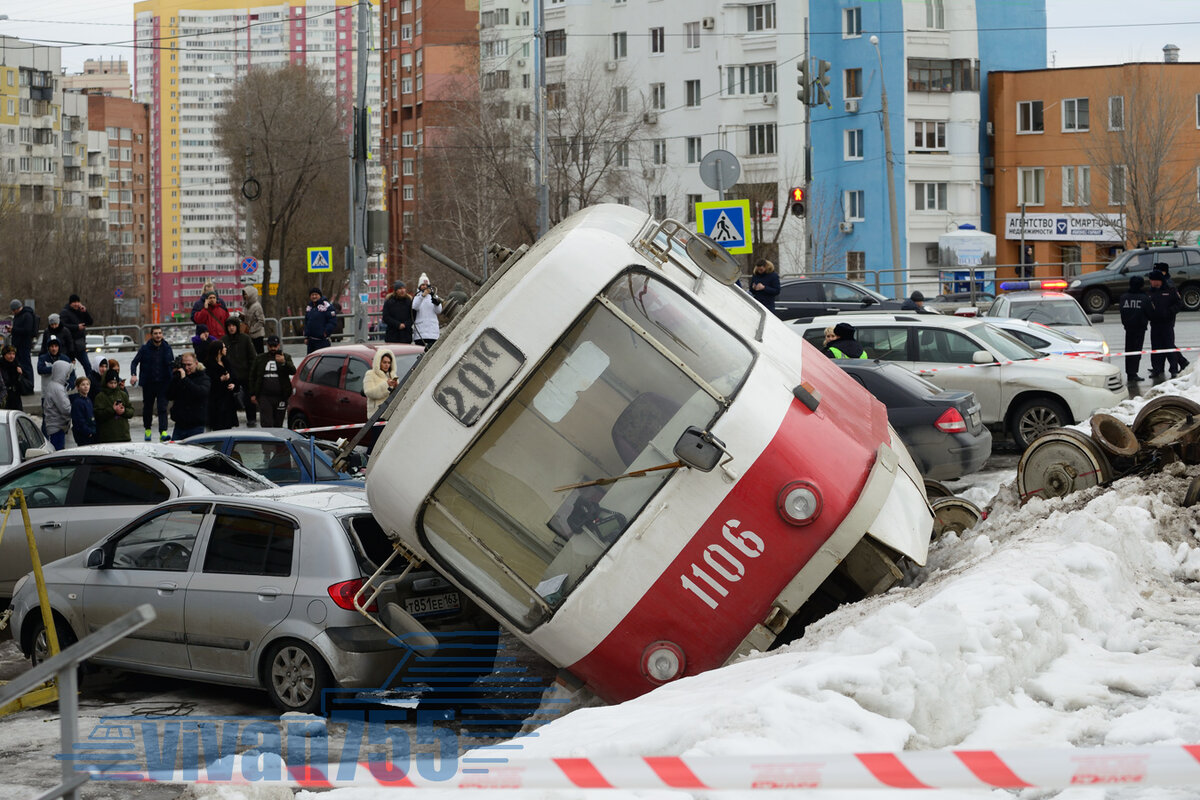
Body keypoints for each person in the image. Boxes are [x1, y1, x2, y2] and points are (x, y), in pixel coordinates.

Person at [131, 325, 175, 441]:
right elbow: (134, 362)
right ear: (151, 335)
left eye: (160, 333)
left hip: (163, 382)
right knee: (148, 408)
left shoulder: (167, 348)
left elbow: (172, 364)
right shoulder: (145, 348)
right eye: (155, 333)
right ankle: (147, 430)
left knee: (162, 407)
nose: (158, 335)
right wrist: (133, 375)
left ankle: (163, 432)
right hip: (149, 383)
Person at [1146, 267, 1189, 377]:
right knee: (1156, 347)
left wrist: (1169, 312)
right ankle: (1157, 369)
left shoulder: (1170, 290)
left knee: (1169, 346)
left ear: (1158, 280)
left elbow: (1179, 304)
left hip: (1167, 324)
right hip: (1155, 324)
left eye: (1152, 280)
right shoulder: (1150, 291)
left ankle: (1173, 369)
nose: (1150, 282)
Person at [249, 335, 295, 428]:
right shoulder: (260, 358)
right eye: (271, 346)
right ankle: (267, 442)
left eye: (275, 346)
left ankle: (277, 442)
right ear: (267, 346)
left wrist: (284, 363)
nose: (273, 348)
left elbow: (293, 371)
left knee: (278, 424)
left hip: (281, 396)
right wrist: (252, 394)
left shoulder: (286, 357)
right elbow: (252, 376)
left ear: (279, 346)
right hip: (264, 396)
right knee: (267, 424)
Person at [221, 315, 258, 426]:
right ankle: (232, 420)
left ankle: (251, 419)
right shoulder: (224, 340)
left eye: (233, 325)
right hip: (231, 375)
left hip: (245, 374)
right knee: (230, 399)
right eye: (229, 326)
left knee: (248, 399)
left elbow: (252, 357)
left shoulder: (245, 339)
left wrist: (251, 372)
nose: (231, 328)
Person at [168, 352, 210, 440]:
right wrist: (175, 377)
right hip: (180, 424)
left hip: (196, 425)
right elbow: (169, 395)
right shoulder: (179, 377)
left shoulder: (203, 377)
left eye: (189, 365)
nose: (187, 368)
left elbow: (201, 393)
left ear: (196, 363)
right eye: (184, 365)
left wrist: (185, 379)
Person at [1118, 276, 1152, 383]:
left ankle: (1129, 373)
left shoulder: (1124, 297)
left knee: (1128, 351)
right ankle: (1133, 373)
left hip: (1128, 328)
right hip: (1140, 328)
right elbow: (1150, 313)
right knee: (1136, 351)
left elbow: (1122, 312)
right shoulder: (1144, 298)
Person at [204, 340, 241, 430]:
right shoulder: (209, 364)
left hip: (228, 399)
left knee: (228, 425)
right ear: (218, 350)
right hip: (216, 400)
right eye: (223, 347)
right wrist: (220, 379)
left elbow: (234, 377)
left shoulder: (226, 362)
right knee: (218, 425)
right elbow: (207, 381)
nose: (225, 349)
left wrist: (233, 385)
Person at [94, 369, 135, 444]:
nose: (113, 385)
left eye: (115, 383)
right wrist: (112, 409)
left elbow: (131, 411)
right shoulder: (100, 397)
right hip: (107, 438)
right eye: (111, 383)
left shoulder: (123, 394)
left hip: (124, 436)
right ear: (106, 383)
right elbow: (98, 414)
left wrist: (124, 411)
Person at [58, 294, 94, 377]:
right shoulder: (65, 312)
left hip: (80, 345)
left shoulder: (80, 311)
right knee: (69, 367)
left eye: (78, 302)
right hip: (69, 345)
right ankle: (70, 384)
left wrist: (85, 312)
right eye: (74, 302)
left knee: (87, 365)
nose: (76, 304)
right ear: (70, 303)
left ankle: (91, 383)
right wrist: (77, 327)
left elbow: (90, 322)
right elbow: (62, 325)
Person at [42, 361, 73, 450]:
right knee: (58, 452)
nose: (68, 375)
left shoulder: (53, 385)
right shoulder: (57, 388)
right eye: (67, 372)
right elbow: (66, 408)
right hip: (56, 427)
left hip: (56, 426)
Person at [9, 299, 37, 391]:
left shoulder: (27, 315)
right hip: (18, 344)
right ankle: (23, 385)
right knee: (20, 365)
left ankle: (29, 385)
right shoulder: (19, 316)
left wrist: (13, 330)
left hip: (24, 345)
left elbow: (27, 330)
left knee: (26, 365)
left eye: (13, 310)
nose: (13, 312)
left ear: (17, 308)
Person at [363, 348, 399, 418]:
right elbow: (369, 392)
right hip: (376, 415)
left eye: (389, 363)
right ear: (379, 362)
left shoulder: (393, 376)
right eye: (384, 362)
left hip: (391, 414)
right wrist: (386, 385)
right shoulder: (370, 374)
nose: (387, 365)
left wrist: (396, 387)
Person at [411, 273, 442, 350]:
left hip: (433, 332)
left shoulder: (434, 296)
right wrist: (422, 296)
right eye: (422, 285)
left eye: (426, 285)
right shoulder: (417, 297)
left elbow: (439, 311)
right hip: (420, 333)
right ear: (419, 286)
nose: (424, 286)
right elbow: (415, 307)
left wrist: (436, 303)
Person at [303, 287, 337, 353]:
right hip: (311, 342)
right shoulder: (309, 307)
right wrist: (306, 336)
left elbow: (332, 321)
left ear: (320, 295)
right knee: (311, 361)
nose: (314, 296)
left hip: (322, 341)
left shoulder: (327, 306)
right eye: (312, 295)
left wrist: (325, 332)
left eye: (316, 294)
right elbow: (307, 322)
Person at [70, 377, 97, 447]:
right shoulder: (77, 402)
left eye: (87, 384)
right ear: (78, 387)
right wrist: (88, 432)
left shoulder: (88, 400)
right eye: (83, 385)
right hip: (84, 436)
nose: (86, 386)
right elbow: (79, 421)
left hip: (92, 433)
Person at [241, 285, 267, 353]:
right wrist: (242, 317)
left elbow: (261, 321)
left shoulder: (257, 306)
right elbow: (249, 318)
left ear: (251, 294)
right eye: (243, 294)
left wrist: (252, 329)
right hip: (249, 334)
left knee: (259, 353)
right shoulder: (247, 305)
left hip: (257, 335)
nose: (244, 296)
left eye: (246, 294)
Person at [1, 346, 23, 411]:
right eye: (9, 354)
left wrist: (20, 374)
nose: (12, 356)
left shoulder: (16, 364)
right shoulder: (2, 365)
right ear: (4, 355)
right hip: (4, 395)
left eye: (13, 354)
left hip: (15, 395)